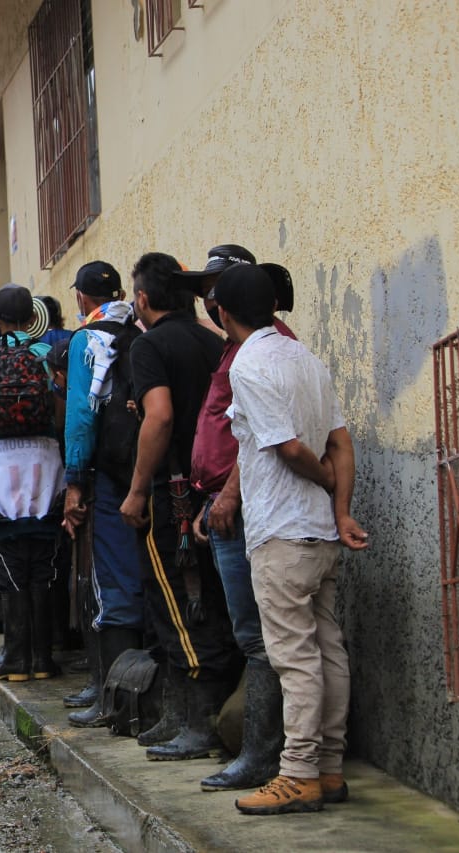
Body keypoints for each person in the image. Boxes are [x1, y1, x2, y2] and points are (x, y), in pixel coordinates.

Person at [211, 263, 368, 816]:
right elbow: (341, 442)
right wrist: (341, 511)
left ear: (223, 313)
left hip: (281, 532)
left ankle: (297, 773)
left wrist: (326, 484)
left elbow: (288, 448)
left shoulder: (248, 364)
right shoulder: (306, 358)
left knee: (294, 656)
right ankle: (327, 769)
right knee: (327, 650)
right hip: (320, 532)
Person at [176, 245, 298, 792]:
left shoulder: (260, 353)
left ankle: (263, 754)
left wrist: (226, 497)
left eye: (215, 288)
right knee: (253, 634)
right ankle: (258, 747)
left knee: (261, 637)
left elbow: (261, 437)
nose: (208, 299)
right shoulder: (235, 350)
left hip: (249, 509)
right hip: (229, 505)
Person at [119, 252, 240, 760]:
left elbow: (160, 417)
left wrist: (137, 490)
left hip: (174, 497)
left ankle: (201, 725)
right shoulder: (214, 342)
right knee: (209, 600)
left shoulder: (149, 346)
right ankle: (187, 717)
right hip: (213, 493)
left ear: (143, 298)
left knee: (176, 604)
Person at [59, 261, 146, 726]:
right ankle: (124, 691)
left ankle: (113, 697)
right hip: (147, 469)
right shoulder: (136, 327)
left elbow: (81, 414)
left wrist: (74, 481)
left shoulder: (86, 340)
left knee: (110, 579)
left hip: (108, 474)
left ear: (82, 298)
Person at [0, 286, 63, 681]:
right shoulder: (45, 355)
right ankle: (42, 659)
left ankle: (14, 657)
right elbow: (58, 413)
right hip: (44, 458)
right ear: (32, 317)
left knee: (7, 557)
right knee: (42, 561)